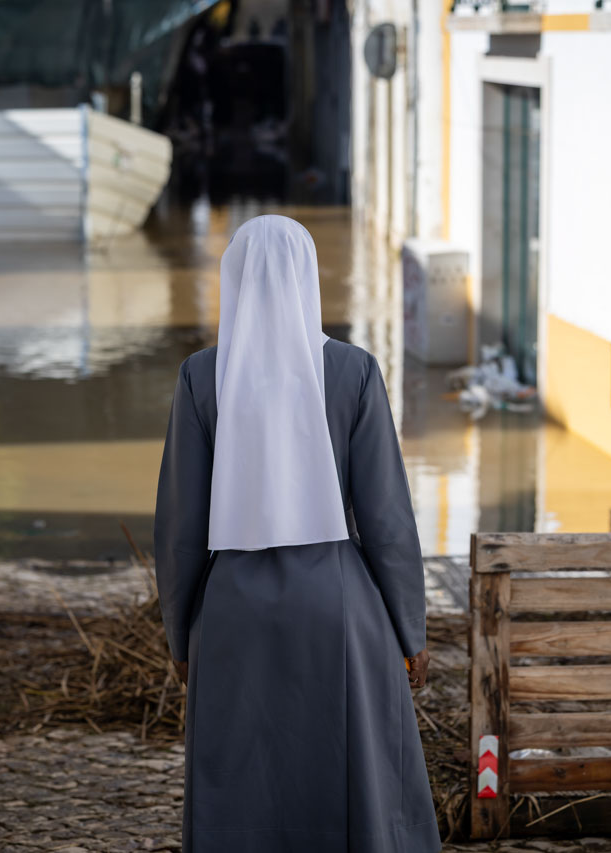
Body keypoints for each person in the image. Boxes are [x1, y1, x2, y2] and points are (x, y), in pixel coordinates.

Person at [154, 214, 441, 852]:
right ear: (309, 275)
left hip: (231, 608)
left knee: (239, 777)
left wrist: (180, 634)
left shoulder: (201, 375)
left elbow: (180, 526)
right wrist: (410, 630)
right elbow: (387, 516)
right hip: (337, 602)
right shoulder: (354, 370)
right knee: (350, 773)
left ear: (231, 277)